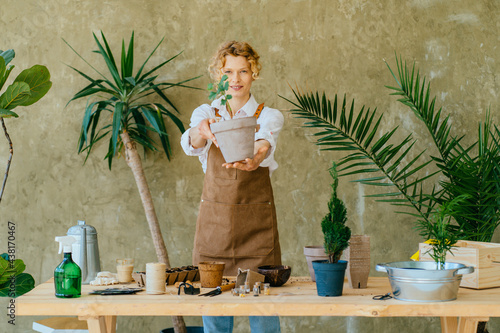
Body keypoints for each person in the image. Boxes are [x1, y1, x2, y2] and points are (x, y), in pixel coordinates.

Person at [180, 41, 284, 333]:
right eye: (228, 72)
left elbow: (265, 142)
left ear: (254, 73)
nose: (235, 79)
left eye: (243, 71)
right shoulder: (206, 113)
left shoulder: (268, 115)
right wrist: (203, 130)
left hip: (257, 234)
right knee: (214, 317)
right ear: (218, 75)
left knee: (264, 316)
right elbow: (191, 143)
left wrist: (257, 157)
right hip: (215, 231)